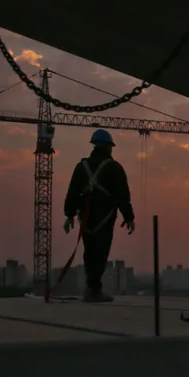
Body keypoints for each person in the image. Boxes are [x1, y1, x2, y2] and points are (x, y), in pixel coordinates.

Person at [62, 129, 136, 302]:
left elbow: (73, 192)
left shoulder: (82, 167)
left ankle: (92, 287)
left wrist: (69, 216)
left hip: (86, 217)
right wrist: (129, 217)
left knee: (89, 252)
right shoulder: (114, 168)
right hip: (105, 217)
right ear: (109, 147)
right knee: (101, 252)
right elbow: (122, 195)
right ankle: (94, 289)